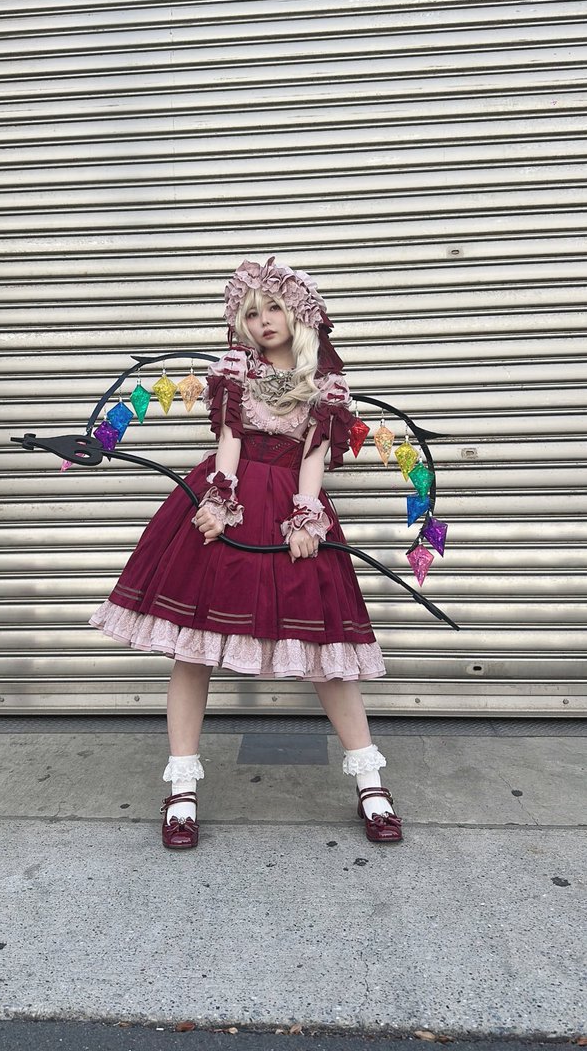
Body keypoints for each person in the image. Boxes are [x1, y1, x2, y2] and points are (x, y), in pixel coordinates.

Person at [89, 258, 402, 849]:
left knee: (326, 652)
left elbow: (313, 460)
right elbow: (228, 443)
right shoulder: (235, 372)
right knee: (192, 649)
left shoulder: (326, 386)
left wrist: (306, 517)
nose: (263, 321)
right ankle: (181, 792)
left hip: (290, 511)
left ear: (301, 315)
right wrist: (217, 502)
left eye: (275, 308)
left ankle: (372, 785)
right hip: (228, 504)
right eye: (252, 313)